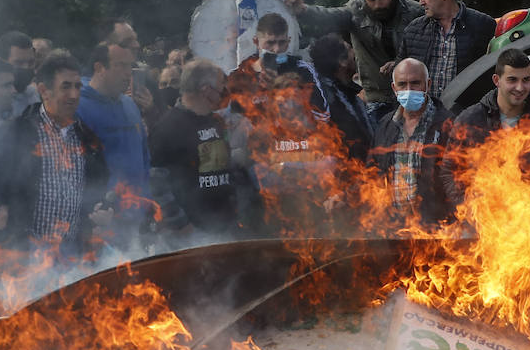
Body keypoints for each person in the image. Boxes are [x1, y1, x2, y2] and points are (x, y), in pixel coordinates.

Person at [0, 50, 111, 259]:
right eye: (65, 86)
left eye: (77, 86)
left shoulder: (88, 140)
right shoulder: (15, 132)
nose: (74, 95)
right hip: (24, 261)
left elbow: (100, 188)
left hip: (72, 259)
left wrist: (102, 211)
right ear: (44, 90)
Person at [442, 48, 530, 207]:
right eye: (512, 80)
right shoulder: (470, 119)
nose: (520, 87)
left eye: (526, 80)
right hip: (480, 224)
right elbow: (449, 171)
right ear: (497, 80)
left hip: (525, 224)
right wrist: (468, 207)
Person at [226, 13, 332, 218]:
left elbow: (324, 117)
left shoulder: (302, 70)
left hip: (298, 162)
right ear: (257, 42)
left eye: (282, 43)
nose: (276, 49)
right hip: (258, 169)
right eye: (270, 43)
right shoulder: (240, 76)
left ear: (289, 41)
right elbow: (233, 128)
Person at [285, 0, 423, 116]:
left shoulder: (415, 12)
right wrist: (305, 10)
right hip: (377, 97)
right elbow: (330, 16)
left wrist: (400, 63)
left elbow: (425, 51)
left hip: (413, 93)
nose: (378, 4)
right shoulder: (356, 11)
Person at [149, 59, 248, 234]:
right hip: (193, 233)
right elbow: (157, 184)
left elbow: (223, 167)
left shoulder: (216, 121)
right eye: (220, 89)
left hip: (225, 226)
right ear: (206, 90)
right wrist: (180, 224)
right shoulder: (168, 127)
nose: (223, 94)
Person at [369, 58, 451, 227]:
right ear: (394, 88)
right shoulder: (386, 126)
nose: (409, 90)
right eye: (402, 84)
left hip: (435, 231)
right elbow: (372, 172)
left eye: (415, 83)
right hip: (394, 230)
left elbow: (458, 180)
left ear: (427, 85)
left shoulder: (448, 126)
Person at [398, 0, 496, 105]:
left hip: (466, 118)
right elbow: (399, 74)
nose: (420, 2)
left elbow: (493, 75)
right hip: (425, 116)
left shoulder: (483, 26)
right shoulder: (414, 29)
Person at [77, 41, 152, 215]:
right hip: (101, 216)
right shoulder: (78, 107)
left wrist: (148, 200)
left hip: (137, 213)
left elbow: (144, 156)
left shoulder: (129, 105)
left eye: (130, 66)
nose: (128, 73)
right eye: (121, 66)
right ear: (100, 68)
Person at [308, 33, 373, 162]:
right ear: (342, 61)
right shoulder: (329, 100)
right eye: (349, 49)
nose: (354, 52)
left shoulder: (347, 92)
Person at [0, 31, 39, 118]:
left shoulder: (34, 94)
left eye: (31, 62)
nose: (26, 67)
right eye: (19, 63)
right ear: (1, 62)